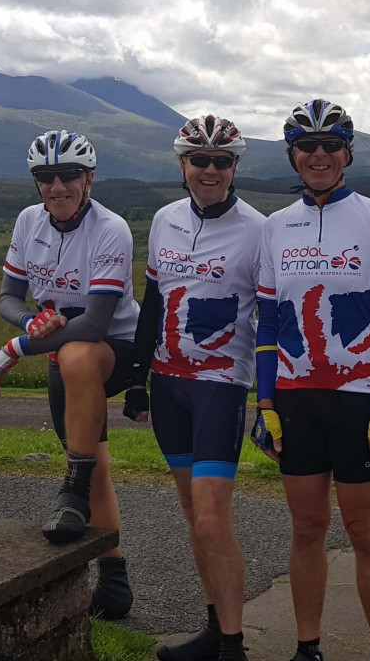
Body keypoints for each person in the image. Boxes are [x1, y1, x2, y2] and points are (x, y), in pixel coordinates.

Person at [252, 100, 370, 661]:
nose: (318, 155)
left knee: (366, 529)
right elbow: (268, 323)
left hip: (358, 398)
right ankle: (306, 648)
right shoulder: (275, 227)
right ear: (293, 156)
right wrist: (263, 402)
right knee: (307, 528)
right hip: (294, 399)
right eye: (306, 146)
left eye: (330, 145)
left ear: (347, 154)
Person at [124, 115, 265, 661]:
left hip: (220, 385)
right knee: (191, 510)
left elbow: (273, 317)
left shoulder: (259, 229)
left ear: (234, 168)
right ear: (182, 165)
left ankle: (232, 646)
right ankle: (214, 631)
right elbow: (153, 300)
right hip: (168, 382)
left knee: (211, 515)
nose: (209, 170)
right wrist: (137, 379)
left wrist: (271, 398)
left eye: (222, 161)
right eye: (199, 160)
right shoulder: (164, 219)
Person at [0, 130, 139, 620]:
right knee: (95, 466)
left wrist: (14, 348)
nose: (57, 186)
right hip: (58, 351)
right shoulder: (30, 222)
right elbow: (9, 296)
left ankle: (70, 490)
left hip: (112, 350)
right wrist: (29, 321)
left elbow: (92, 323)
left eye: (69, 175)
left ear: (88, 179)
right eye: (45, 177)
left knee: (75, 356)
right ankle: (114, 585)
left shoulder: (111, 228)